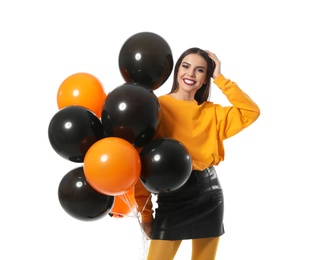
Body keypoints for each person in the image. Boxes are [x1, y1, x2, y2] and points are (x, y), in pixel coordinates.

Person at [134, 47, 260, 260]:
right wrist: (146, 215)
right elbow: (141, 165)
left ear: (205, 79)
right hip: (170, 198)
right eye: (186, 66)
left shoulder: (212, 113)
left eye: (200, 70)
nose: (190, 74)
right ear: (177, 71)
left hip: (208, 195)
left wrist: (221, 78)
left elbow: (251, 111)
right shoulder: (156, 107)